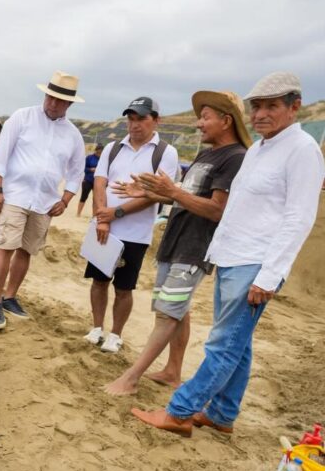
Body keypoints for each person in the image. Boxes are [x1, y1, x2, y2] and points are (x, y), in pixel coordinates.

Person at [132, 72, 324, 436]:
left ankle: (179, 412)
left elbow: (299, 218)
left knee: (223, 344)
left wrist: (269, 276)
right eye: (256, 107)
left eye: (271, 106)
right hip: (232, 257)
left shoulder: (302, 150)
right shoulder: (259, 150)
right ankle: (222, 414)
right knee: (239, 343)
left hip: (255, 263)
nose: (260, 114)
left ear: (294, 107)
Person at [103, 90, 251, 395]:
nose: (198, 123)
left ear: (226, 121)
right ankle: (172, 371)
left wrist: (171, 191)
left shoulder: (235, 157)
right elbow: (185, 197)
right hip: (176, 241)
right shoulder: (208, 154)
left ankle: (130, 378)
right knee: (177, 309)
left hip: (195, 247)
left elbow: (217, 210)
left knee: (168, 312)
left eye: (205, 117)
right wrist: (149, 193)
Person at [0, 71, 86, 329]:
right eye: (50, 97)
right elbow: (1, 155)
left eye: (59, 100)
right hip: (15, 195)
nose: (52, 103)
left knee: (26, 250)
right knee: (5, 246)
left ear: (69, 103)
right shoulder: (22, 117)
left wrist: (66, 199)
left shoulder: (73, 135)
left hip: (45, 202)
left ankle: (10, 297)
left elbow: (77, 172)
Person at [86, 97, 179, 353]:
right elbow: (100, 182)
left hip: (136, 234)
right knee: (99, 281)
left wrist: (114, 214)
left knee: (124, 287)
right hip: (104, 228)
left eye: (141, 119)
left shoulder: (165, 153)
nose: (134, 124)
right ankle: (96, 327)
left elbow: (155, 194)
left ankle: (116, 333)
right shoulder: (113, 148)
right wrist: (102, 219)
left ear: (156, 120)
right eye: (131, 119)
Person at [76, 144, 104, 216]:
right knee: (84, 197)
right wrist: (91, 169)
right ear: (96, 151)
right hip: (88, 180)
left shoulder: (104, 159)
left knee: (96, 199)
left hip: (98, 181)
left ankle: (94, 215)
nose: (99, 154)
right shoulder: (89, 158)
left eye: (101, 152)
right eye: (98, 152)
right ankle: (78, 213)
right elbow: (83, 168)